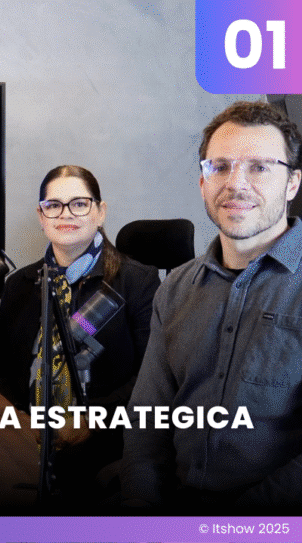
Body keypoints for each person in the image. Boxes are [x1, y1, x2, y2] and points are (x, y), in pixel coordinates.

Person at [121, 101, 302, 509]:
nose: (235, 183)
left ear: (292, 183)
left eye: (259, 167)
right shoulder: (175, 289)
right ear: (203, 182)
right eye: (219, 167)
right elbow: (147, 422)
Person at [0, 165, 160, 503]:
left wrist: (91, 419)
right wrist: (20, 419)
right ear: (41, 215)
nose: (66, 214)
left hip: (105, 447)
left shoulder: (137, 281)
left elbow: (151, 376)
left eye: (79, 204)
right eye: (54, 205)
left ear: (100, 212)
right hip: (25, 442)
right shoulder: (20, 285)